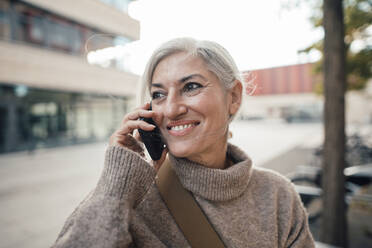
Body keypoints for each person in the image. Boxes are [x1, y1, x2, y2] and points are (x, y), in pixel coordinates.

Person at [52, 37, 315, 248]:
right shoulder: (127, 202)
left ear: (233, 96)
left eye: (190, 87)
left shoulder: (279, 196)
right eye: (158, 94)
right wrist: (116, 184)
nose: (171, 109)